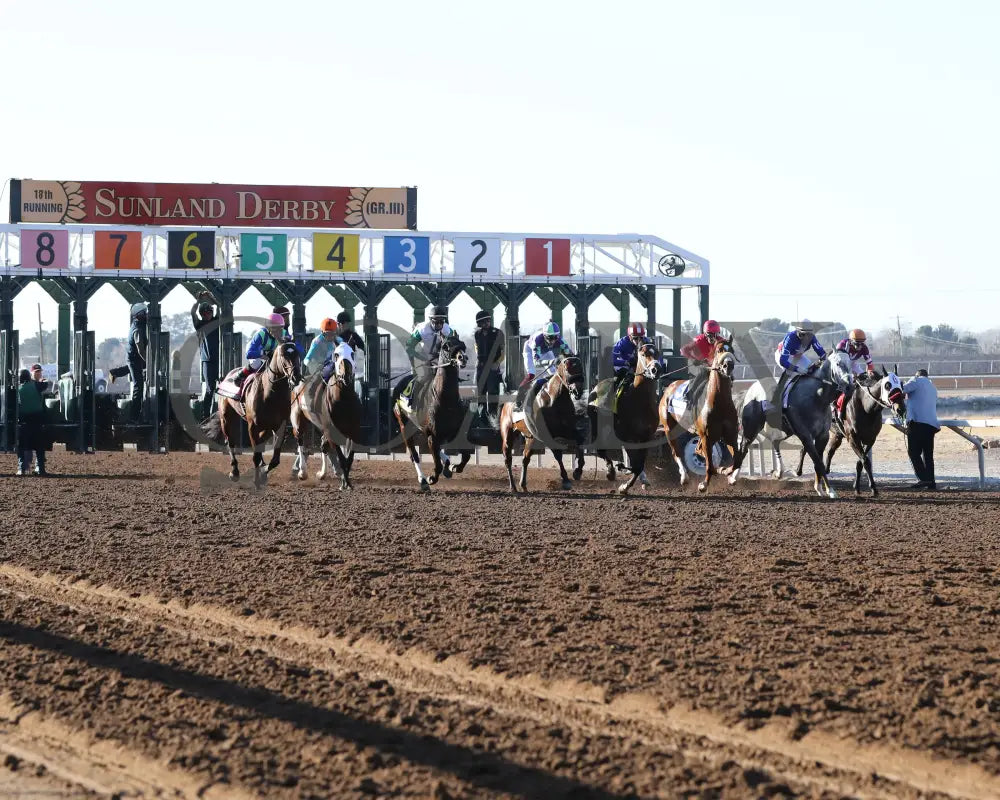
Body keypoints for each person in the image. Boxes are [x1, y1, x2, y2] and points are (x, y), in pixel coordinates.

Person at [515, 321, 574, 410]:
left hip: (545, 351)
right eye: (550, 338)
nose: (553, 341)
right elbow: (537, 363)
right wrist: (549, 362)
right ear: (544, 336)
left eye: (555, 337)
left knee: (554, 374)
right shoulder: (537, 340)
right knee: (532, 374)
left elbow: (569, 354)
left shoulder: (560, 340)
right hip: (530, 350)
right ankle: (518, 399)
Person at [108, 303, 148, 421]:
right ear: (139, 315)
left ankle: (114, 372)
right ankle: (134, 416)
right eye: (144, 313)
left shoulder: (138, 325)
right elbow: (140, 349)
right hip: (136, 358)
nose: (147, 315)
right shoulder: (137, 329)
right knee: (138, 386)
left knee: (131, 368)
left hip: (135, 359)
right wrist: (149, 362)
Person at [405, 306, 453, 401]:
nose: (439, 325)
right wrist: (419, 359)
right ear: (430, 320)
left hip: (439, 359)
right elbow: (409, 346)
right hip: (423, 358)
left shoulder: (448, 330)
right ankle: (411, 399)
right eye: (436, 322)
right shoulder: (422, 330)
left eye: (442, 322)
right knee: (421, 378)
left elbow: (453, 347)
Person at [902, 368, 940, 490]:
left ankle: (924, 479)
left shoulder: (916, 381)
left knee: (913, 453)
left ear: (917, 375)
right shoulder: (933, 387)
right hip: (931, 425)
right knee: (928, 455)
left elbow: (903, 389)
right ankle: (931, 482)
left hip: (917, 423)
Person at [774, 319, 827, 403]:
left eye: (808, 335)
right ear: (798, 332)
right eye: (804, 335)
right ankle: (777, 398)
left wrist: (825, 361)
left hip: (797, 356)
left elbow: (822, 353)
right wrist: (797, 369)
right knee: (789, 373)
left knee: (811, 370)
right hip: (783, 356)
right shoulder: (790, 338)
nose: (806, 338)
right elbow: (783, 361)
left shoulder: (812, 337)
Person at [232, 312, 285, 387]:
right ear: (268, 327)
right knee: (256, 363)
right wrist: (262, 356)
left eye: (279, 328)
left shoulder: (284, 333)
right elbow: (249, 354)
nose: (277, 331)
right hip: (255, 350)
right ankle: (240, 376)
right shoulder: (260, 334)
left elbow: (292, 346)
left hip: (270, 351)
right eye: (274, 328)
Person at [833, 328, 874, 421]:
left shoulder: (864, 348)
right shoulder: (843, 345)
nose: (860, 346)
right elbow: (839, 362)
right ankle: (839, 409)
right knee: (849, 384)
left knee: (865, 380)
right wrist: (852, 375)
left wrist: (869, 373)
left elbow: (870, 364)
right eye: (857, 343)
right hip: (841, 365)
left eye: (862, 343)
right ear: (851, 341)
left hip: (853, 363)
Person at [678, 319, 722, 402]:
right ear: (705, 333)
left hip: (711, 365)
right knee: (703, 372)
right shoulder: (698, 341)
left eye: (715, 334)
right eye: (710, 335)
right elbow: (683, 350)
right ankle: (688, 394)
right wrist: (693, 359)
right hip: (696, 364)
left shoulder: (720, 340)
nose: (713, 338)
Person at [191, 291, 220, 415]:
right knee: (209, 388)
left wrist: (212, 297)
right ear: (202, 314)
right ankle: (205, 414)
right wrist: (198, 300)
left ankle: (218, 412)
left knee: (220, 387)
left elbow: (220, 306)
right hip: (207, 360)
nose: (208, 314)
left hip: (219, 359)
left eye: (210, 312)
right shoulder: (199, 325)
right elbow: (192, 312)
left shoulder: (216, 321)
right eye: (206, 313)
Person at [473, 309, 504, 423]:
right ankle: (481, 417)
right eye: (484, 321)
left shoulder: (498, 333)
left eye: (488, 321)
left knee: (492, 393)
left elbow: (503, 351)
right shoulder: (477, 334)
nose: (487, 323)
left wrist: (496, 363)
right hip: (480, 367)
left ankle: (493, 417)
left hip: (492, 367)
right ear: (479, 323)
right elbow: (476, 347)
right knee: (480, 393)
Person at [16, 369, 47, 476]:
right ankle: (40, 468)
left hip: (23, 422)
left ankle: (21, 468)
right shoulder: (36, 386)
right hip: (38, 420)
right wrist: (42, 380)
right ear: (29, 377)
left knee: (21, 446)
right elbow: (45, 385)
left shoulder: (18, 389)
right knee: (39, 446)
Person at [612, 322, 654, 396]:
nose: (639, 341)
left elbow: (657, 356)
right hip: (626, 367)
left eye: (641, 337)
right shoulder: (622, 343)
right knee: (620, 375)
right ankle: (612, 395)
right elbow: (612, 360)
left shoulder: (647, 341)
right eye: (635, 338)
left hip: (642, 368)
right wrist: (625, 362)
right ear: (630, 337)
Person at [336, 311, 366, 378]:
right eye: (344, 323)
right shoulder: (334, 336)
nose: (346, 325)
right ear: (338, 324)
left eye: (347, 323)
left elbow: (363, 347)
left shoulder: (353, 335)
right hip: (337, 363)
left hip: (350, 363)